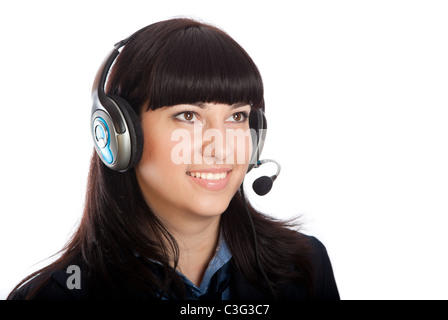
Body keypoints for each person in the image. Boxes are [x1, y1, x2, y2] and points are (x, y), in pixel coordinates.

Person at [8, 18, 339, 300]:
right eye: (188, 116)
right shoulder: (55, 296)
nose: (221, 148)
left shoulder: (304, 267)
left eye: (237, 117)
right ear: (119, 136)